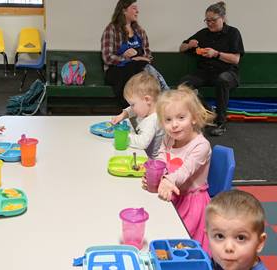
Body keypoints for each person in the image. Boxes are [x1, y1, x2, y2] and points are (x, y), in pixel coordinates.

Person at [143, 85, 215, 252]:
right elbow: (161, 157)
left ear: (194, 118)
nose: (174, 125)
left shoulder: (201, 146)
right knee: (158, 230)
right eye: (168, 120)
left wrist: (167, 180)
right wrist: (154, 173)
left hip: (192, 201)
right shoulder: (169, 138)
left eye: (181, 117)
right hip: (173, 193)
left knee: (180, 243)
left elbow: (184, 171)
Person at [179, 1, 244, 136]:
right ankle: (209, 112)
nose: (209, 23)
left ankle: (221, 122)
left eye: (213, 20)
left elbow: (236, 59)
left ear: (223, 18)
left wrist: (216, 54)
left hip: (228, 72)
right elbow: (182, 48)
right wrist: (189, 45)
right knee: (184, 84)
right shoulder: (203, 33)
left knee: (222, 80)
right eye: (207, 20)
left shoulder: (233, 33)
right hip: (205, 72)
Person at [101, 0, 152, 111]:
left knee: (142, 70)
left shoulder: (140, 31)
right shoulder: (112, 29)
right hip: (116, 71)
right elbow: (107, 57)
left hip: (138, 70)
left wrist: (139, 58)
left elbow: (148, 56)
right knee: (131, 69)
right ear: (124, 10)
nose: (137, 11)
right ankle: (129, 109)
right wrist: (126, 58)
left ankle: (146, 111)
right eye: (134, 8)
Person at [206, 190, 268, 270]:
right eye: (220, 236)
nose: (228, 247)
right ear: (208, 237)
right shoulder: (215, 262)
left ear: (260, 243)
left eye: (241, 238)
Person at [110, 71, 164, 158]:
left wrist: (124, 136)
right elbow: (132, 110)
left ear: (147, 100)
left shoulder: (153, 120)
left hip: (151, 161)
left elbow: (142, 143)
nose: (131, 107)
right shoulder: (148, 108)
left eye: (133, 104)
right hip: (142, 154)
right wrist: (123, 115)